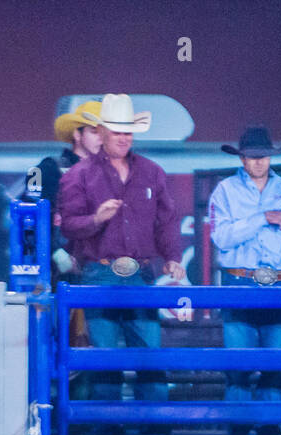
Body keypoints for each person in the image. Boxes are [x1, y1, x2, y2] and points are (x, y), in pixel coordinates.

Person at [57, 93, 184, 403]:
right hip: (100, 272)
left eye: (128, 132)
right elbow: (69, 225)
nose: (124, 138)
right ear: (101, 133)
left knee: (150, 359)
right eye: (117, 131)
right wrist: (96, 219)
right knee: (105, 362)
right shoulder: (79, 175)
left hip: (141, 274)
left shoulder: (152, 172)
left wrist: (172, 257)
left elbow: (166, 220)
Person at [207, 125, 281, 407]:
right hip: (239, 282)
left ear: (270, 157)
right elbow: (220, 238)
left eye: (264, 156)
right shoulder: (225, 191)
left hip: (279, 283)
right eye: (253, 156)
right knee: (238, 369)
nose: (259, 161)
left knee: (276, 368)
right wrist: (262, 217)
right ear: (242, 159)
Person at [20, 100, 103, 281]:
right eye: (94, 131)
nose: (101, 138)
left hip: (99, 272)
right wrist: (55, 253)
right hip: (58, 272)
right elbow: (27, 218)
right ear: (77, 134)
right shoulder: (48, 169)